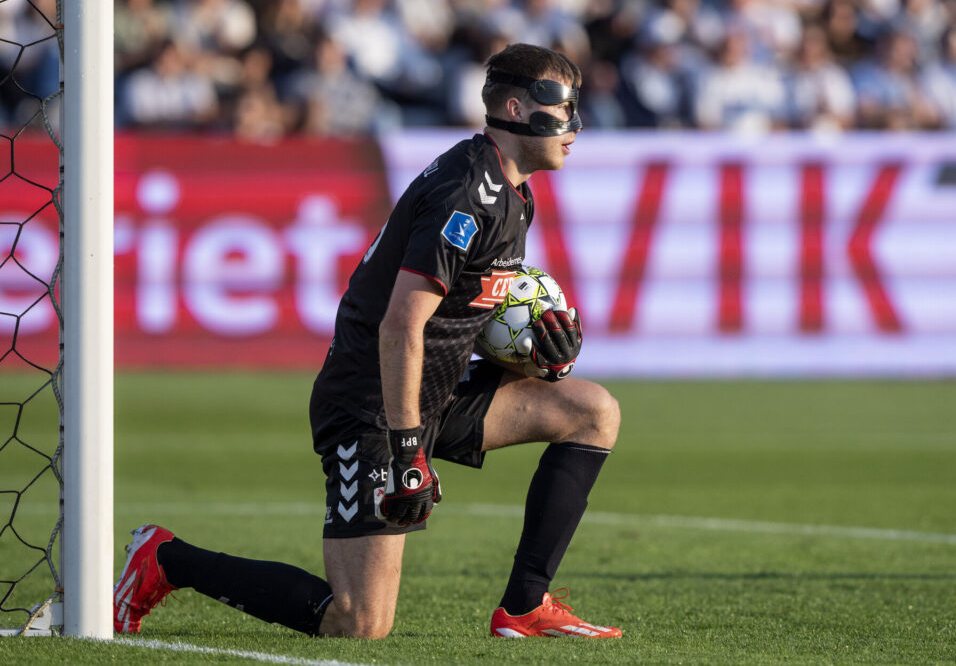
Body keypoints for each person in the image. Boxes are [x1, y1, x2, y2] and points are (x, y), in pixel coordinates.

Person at [113, 42, 623, 640]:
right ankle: (165, 559)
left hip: (432, 391)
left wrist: (544, 360)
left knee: (591, 412)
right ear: (517, 108)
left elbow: (462, 318)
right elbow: (401, 324)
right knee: (358, 622)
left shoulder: (513, 194)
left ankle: (525, 608)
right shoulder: (467, 196)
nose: (575, 127)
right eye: (565, 112)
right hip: (372, 406)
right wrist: (408, 451)